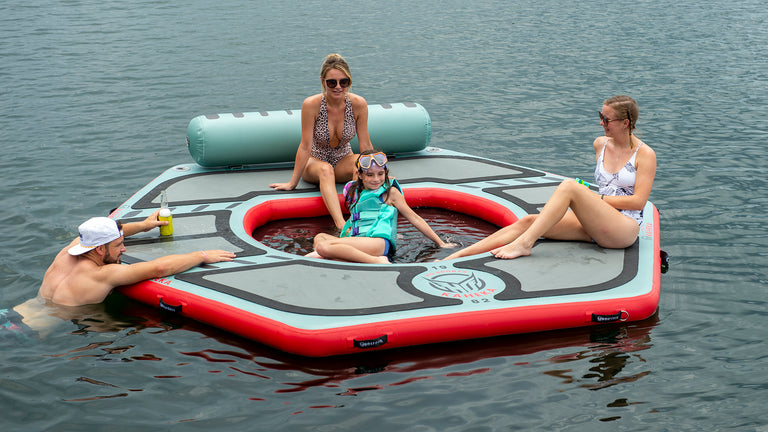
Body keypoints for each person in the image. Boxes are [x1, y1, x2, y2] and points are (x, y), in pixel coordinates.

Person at [444, 95, 656, 260]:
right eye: (600, 116)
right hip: (599, 219)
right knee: (528, 220)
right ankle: (458, 255)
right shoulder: (600, 144)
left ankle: (525, 244)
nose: (601, 123)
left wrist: (593, 200)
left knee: (570, 186)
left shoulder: (644, 154)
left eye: (606, 119)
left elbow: (638, 202)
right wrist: (591, 203)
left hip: (623, 228)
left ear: (625, 123)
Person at [38, 211, 236, 306]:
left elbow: (116, 233)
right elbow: (159, 268)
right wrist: (201, 255)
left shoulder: (71, 249)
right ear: (99, 250)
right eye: (118, 246)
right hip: (33, 336)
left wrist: (144, 225)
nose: (123, 249)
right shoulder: (101, 274)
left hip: (15, 316)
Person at [270, 53, 374, 231]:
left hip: (343, 157)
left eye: (344, 82)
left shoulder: (358, 104)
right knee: (326, 169)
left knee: (360, 165)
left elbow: (365, 146)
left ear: (349, 81)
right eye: (332, 82)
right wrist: (292, 183)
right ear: (323, 81)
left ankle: (362, 220)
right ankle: (341, 225)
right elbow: (305, 146)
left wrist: (379, 172)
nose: (338, 87)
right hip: (315, 161)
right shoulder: (312, 105)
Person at [308, 151, 456, 263]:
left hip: (378, 242)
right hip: (359, 240)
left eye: (380, 174)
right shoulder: (352, 190)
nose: (376, 179)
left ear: (385, 173)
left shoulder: (390, 193)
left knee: (323, 247)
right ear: (359, 175)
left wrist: (441, 243)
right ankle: (349, 259)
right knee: (320, 237)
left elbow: (415, 219)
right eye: (370, 175)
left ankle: (378, 261)